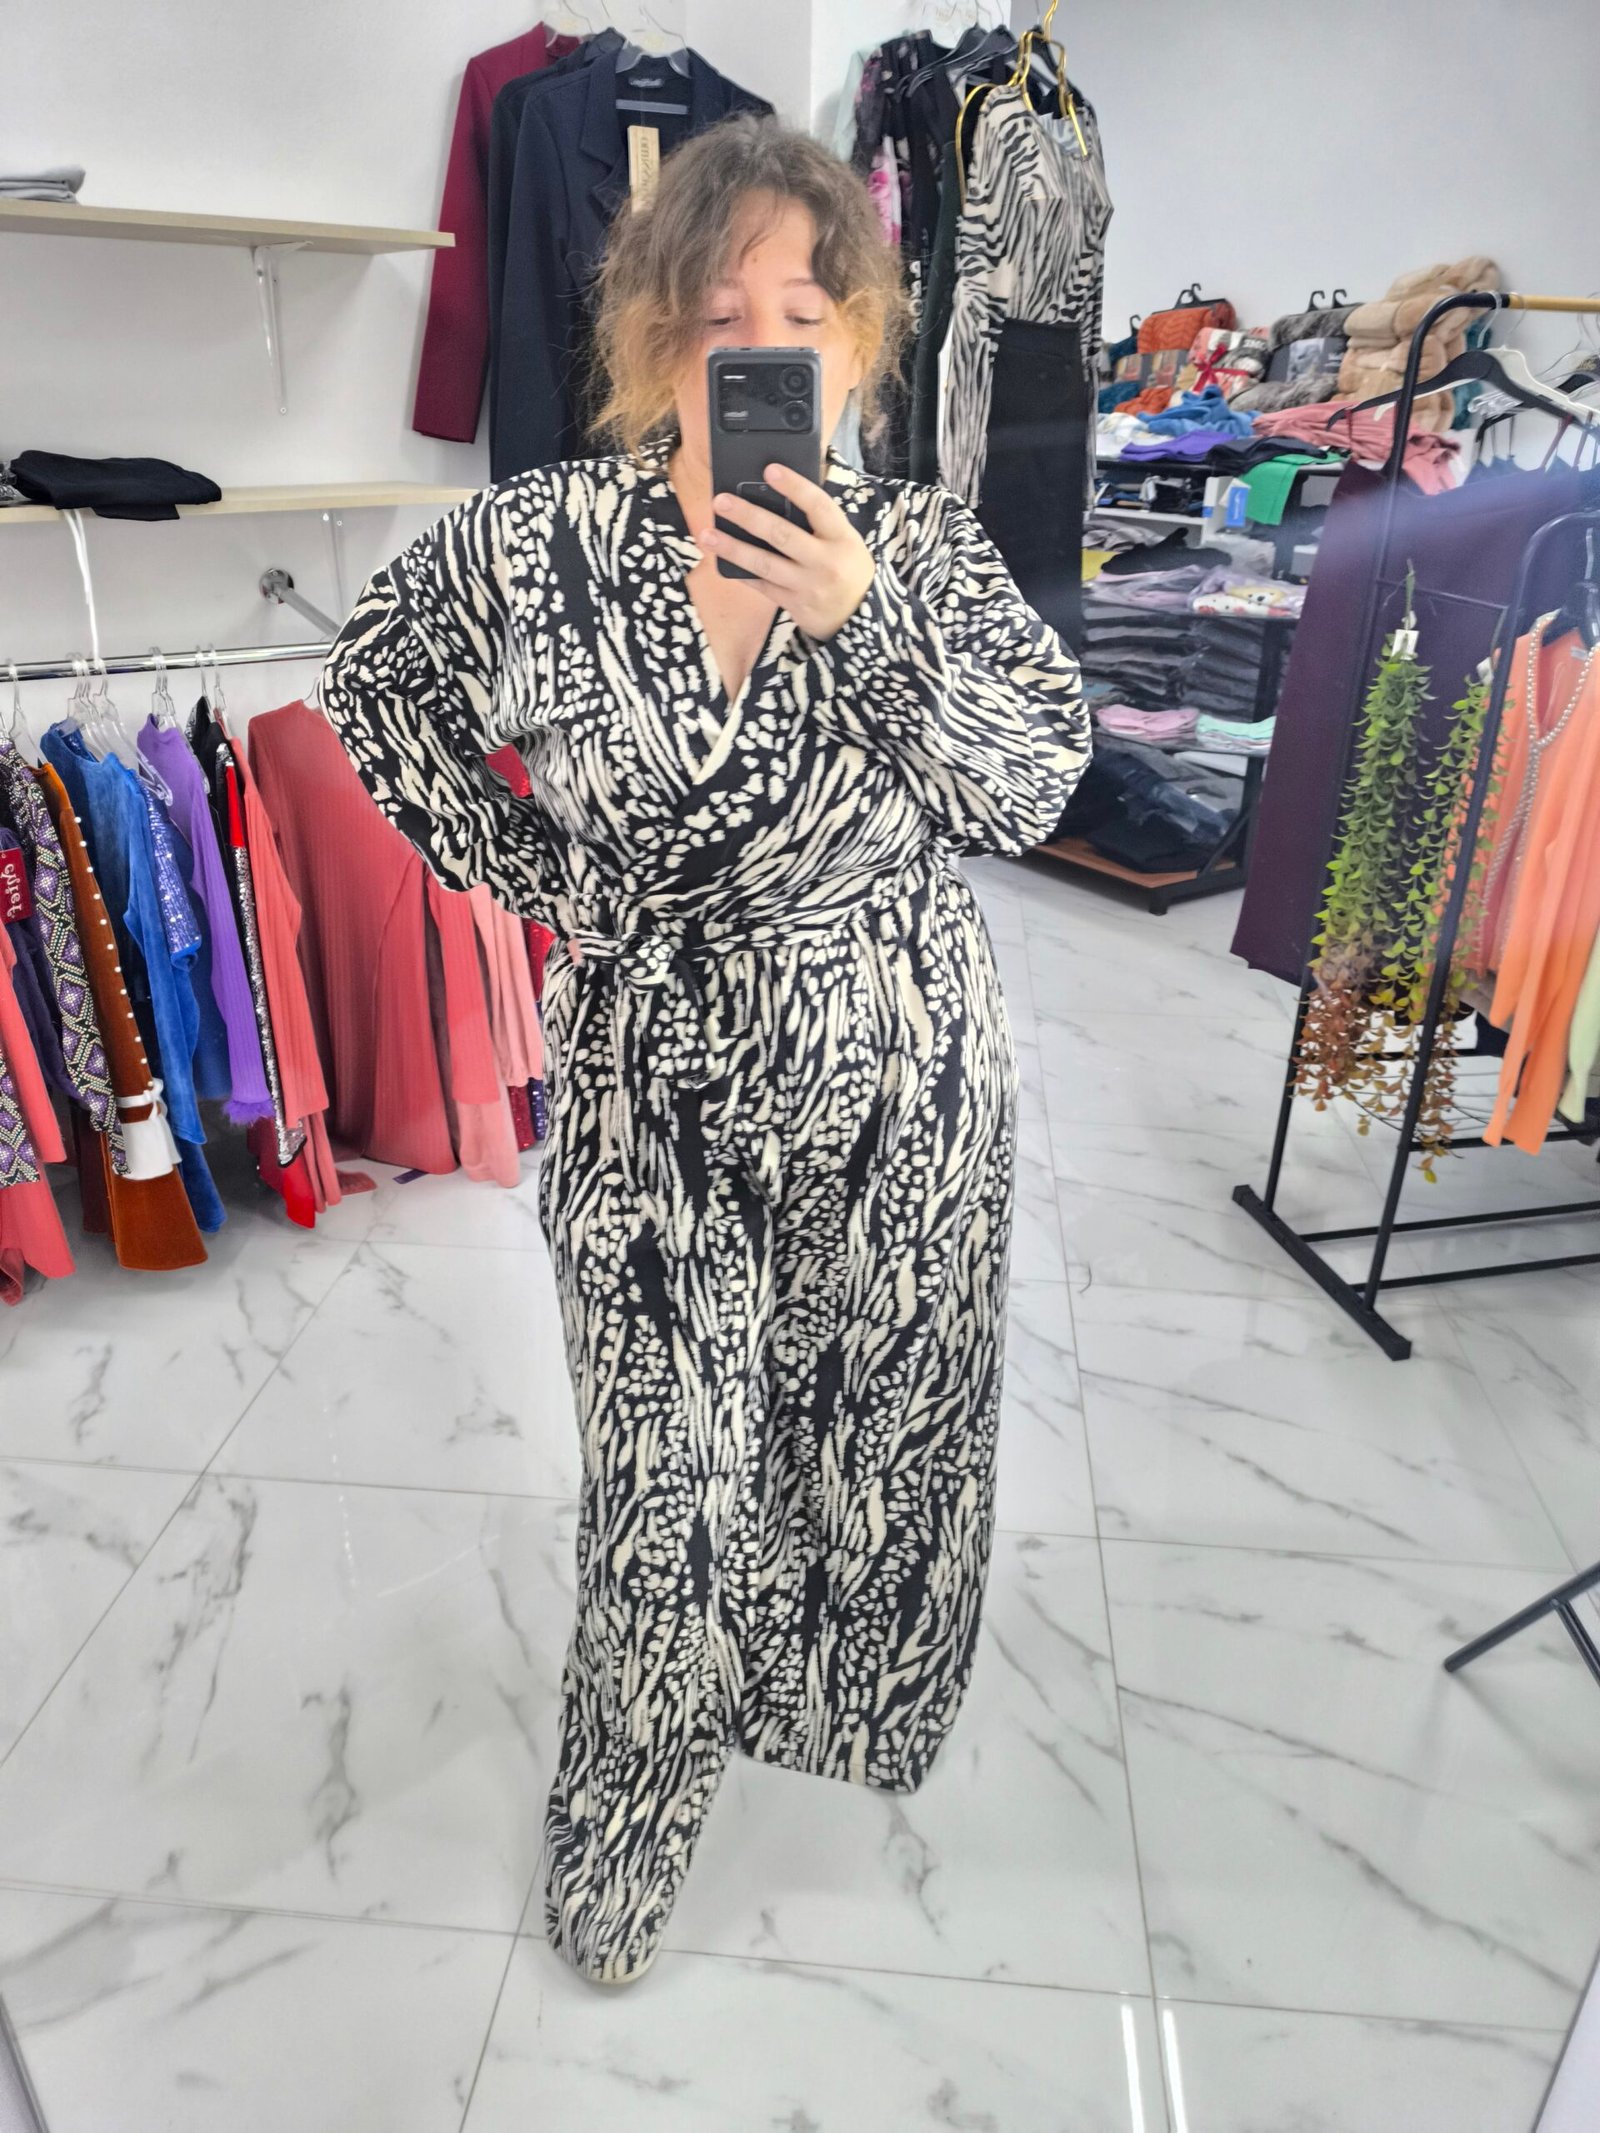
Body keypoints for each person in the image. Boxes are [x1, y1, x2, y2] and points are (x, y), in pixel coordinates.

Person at [320, 114, 1089, 1987]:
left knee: (887, 1415)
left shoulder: (917, 545)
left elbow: (1030, 780)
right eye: (719, 310)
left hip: (900, 1058)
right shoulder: (538, 544)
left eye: (804, 314)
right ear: (657, 334)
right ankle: (630, 1814)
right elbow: (375, 691)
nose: (761, 344)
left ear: (862, 341)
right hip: (655, 1074)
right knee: (668, 1473)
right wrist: (551, 880)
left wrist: (863, 618)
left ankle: (844, 1704)